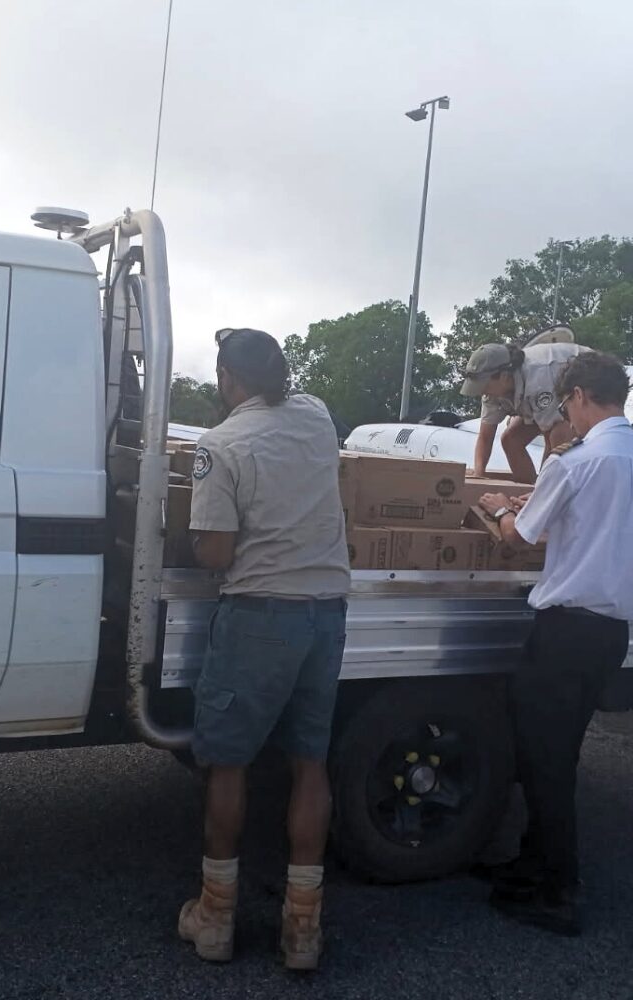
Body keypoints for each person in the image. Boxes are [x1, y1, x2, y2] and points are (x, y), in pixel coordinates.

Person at [475, 350, 633, 936]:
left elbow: (519, 538)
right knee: (557, 754)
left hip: (565, 631)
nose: (565, 417)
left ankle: (558, 891)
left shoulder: (575, 461)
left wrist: (497, 510)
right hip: (611, 633)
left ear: (580, 396)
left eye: (566, 406)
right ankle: (532, 865)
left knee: (544, 761)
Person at [177, 327, 351, 970]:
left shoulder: (219, 445)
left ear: (227, 378)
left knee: (229, 765)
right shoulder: (317, 416)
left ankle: (216, 917)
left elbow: (217, 552)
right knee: (310, 764)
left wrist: (191, 538)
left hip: (258, 616)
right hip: (325, 613)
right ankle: (303, 929)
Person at [461, 339, 589, 483]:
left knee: (559, 434)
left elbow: (550, 440)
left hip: (592, 385)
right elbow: (485, 437)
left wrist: (543, 487)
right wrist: (479, 475)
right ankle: (526, 487)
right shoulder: (491, 391)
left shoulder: (539, 379)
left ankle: (549, 489)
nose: (482, 392)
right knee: (510, 439)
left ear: (503, 377)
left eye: (484, 386)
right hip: (552, 398)